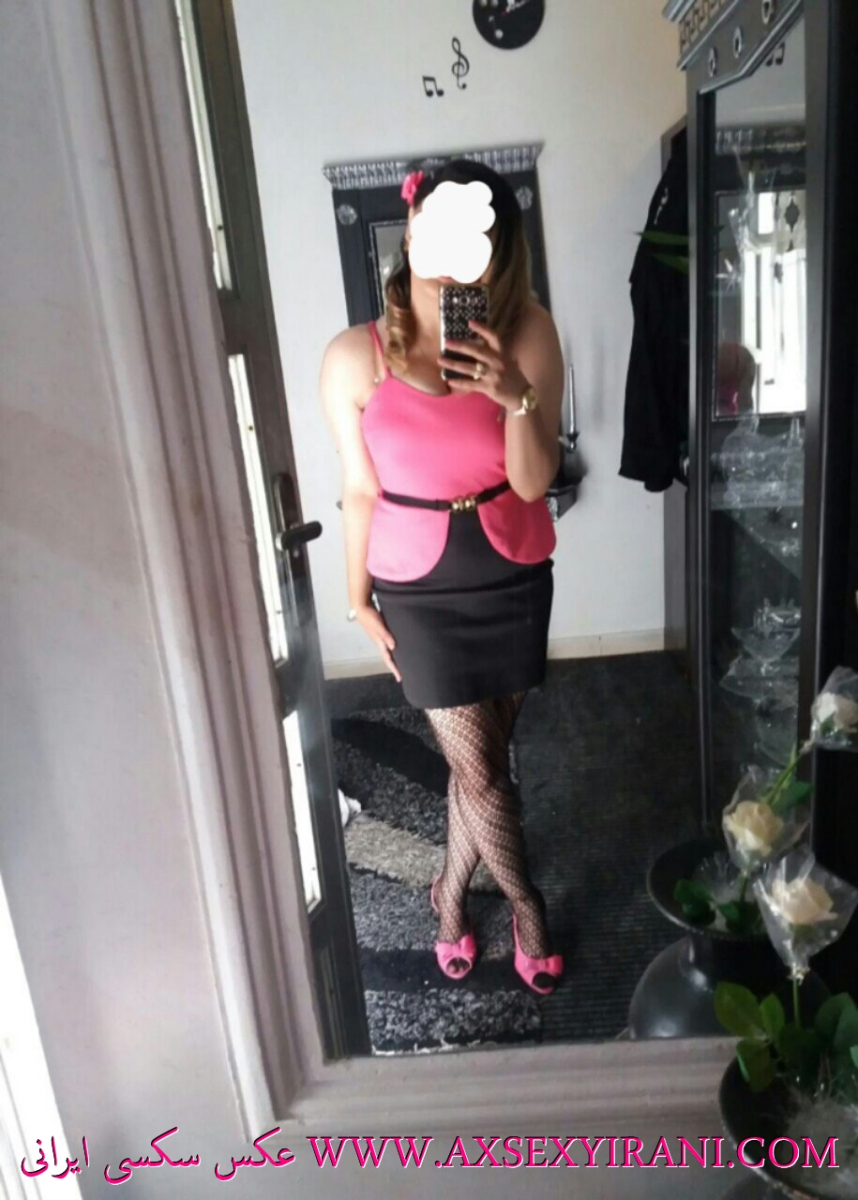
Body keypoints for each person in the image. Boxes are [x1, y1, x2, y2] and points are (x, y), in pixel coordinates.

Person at [320, 158, 565, 994]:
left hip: (511, 567)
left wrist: (515, 394)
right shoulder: (354, 356)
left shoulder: (528, 333)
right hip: (415, 590)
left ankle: (450, 892)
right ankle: (526, 906)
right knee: (485, 773)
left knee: (480, 765)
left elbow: (532, 482)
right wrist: (355, 598)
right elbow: (359, 487)